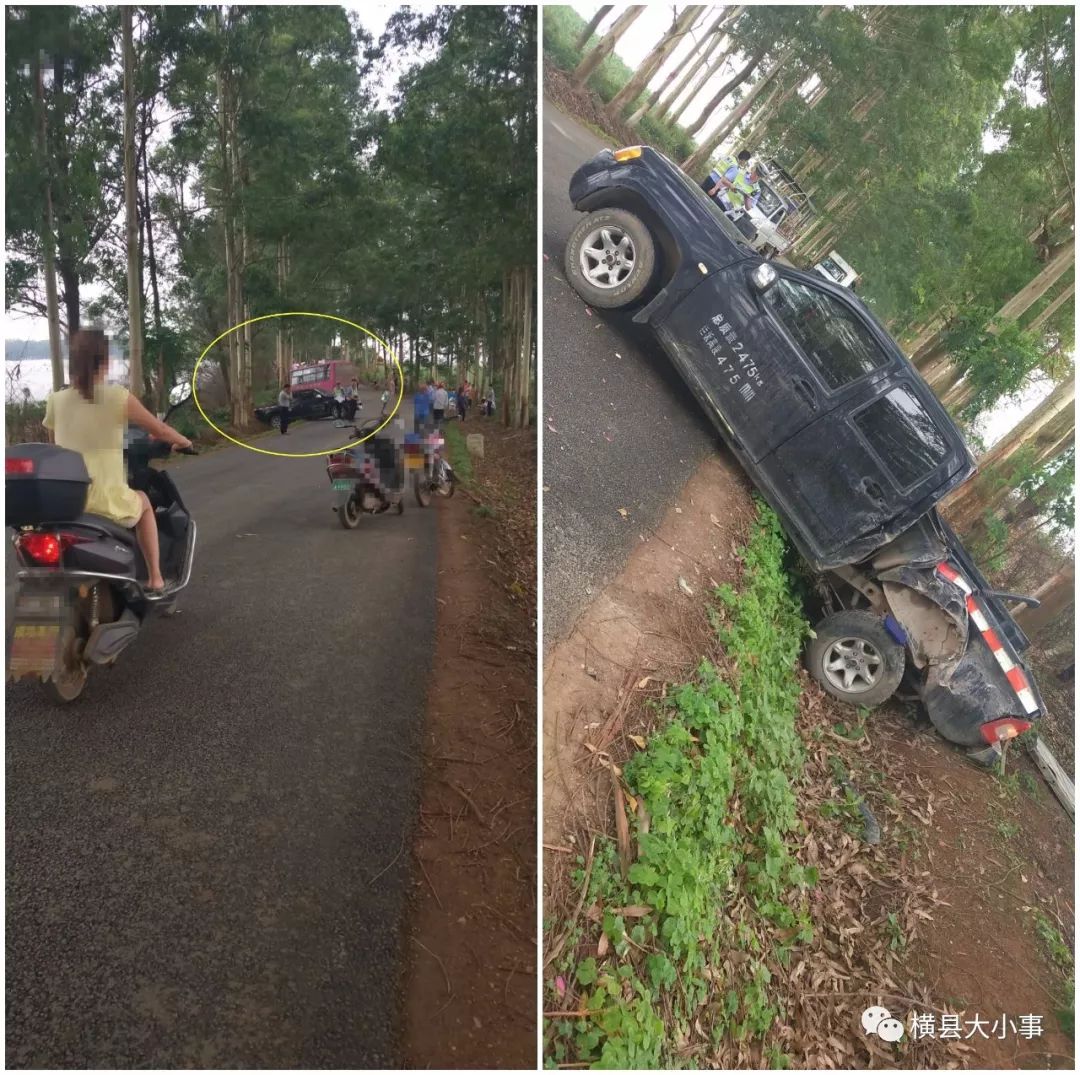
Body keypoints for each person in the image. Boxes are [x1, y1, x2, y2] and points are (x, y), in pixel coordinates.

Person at [43, 328, 192, 596]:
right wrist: (183, 441)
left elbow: (56, 445)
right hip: (104, 499)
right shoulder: (117, 397)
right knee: (145, 504)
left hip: (67, 501)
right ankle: (156, 579)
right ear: (104, 361)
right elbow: (160, 430)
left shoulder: (56, 400)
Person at [704, 150, 759, 217]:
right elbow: (724, 179)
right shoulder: (736, 169)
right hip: (715, 187)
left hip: (710, 177)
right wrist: (715, 189)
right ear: (744, 160)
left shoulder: (729, 157)